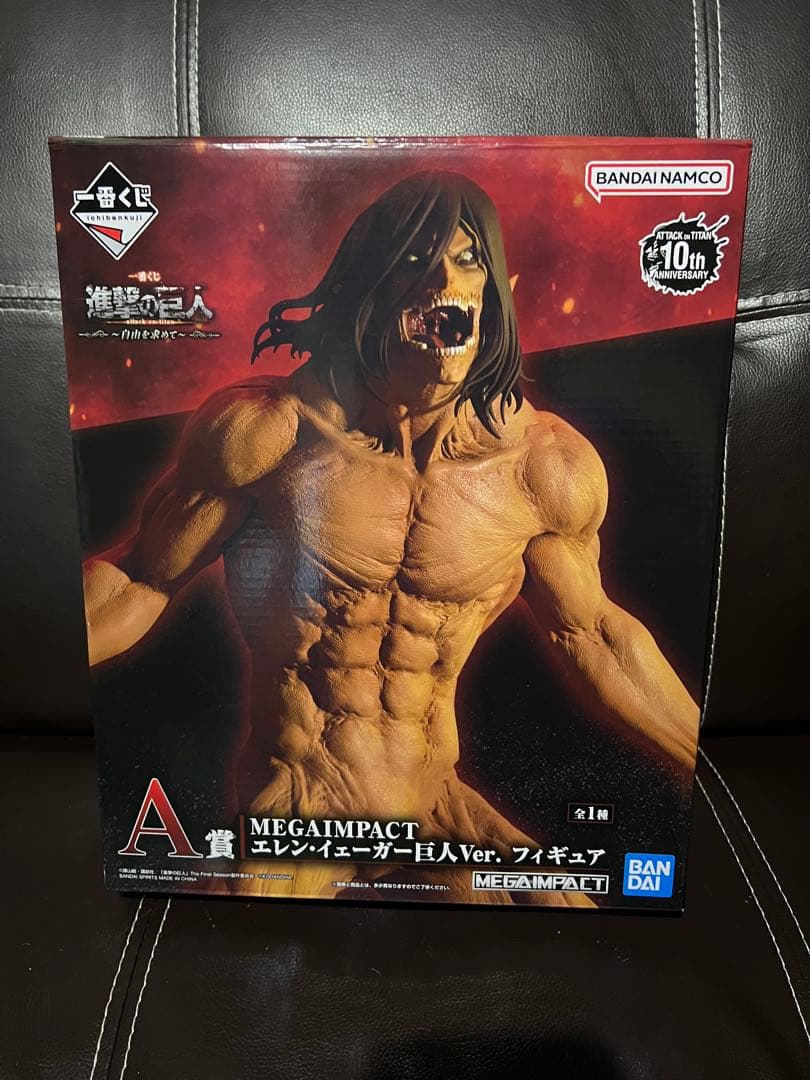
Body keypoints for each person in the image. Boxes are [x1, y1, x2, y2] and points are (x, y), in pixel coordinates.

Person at [83, 171, 699, 905]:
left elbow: (595, 635)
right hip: (303, 801)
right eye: (415, 260)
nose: (445, 280)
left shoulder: (545, 469)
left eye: (467, 260)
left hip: (436, 803)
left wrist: (713, 768)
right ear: (369, 288)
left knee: (568, 915)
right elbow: (138, 581)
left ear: (495, 291)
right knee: (242, 934)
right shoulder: (267, 434)